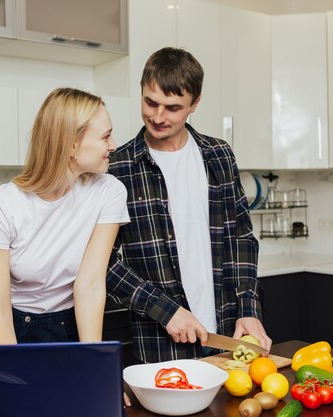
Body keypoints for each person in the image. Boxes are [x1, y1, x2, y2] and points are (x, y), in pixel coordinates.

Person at [106, 47, 271, 364]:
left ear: (195, 103)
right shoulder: (117, 167)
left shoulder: (219, 154)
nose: (157, 116)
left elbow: (241, 237)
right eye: (150, 102)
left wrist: (248, 309)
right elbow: (103, 264)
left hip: (228, 336)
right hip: (161, 342)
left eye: (172, 107)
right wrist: (164, 310)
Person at [0, 88, 129, 345]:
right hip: (3, 327)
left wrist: (93, 360)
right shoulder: (3, 206)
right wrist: (12, 376)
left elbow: (91, 285)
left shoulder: (109, 192)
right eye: (105, 136)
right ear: (71, 144)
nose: (113, 145)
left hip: (64, 324)